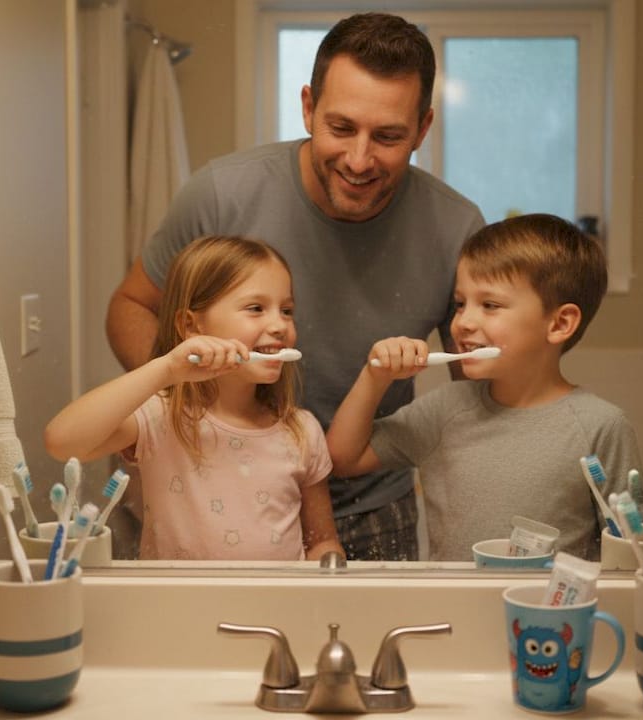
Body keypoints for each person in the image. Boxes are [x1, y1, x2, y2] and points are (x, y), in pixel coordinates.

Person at [106, 12, 485, 561]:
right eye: (340, 128)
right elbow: (132, 304)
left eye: (387, 137)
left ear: (422, 130)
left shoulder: (456, 228)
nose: (359, 160)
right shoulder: (221, 195)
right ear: (308, 107)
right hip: (215, 488)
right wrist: (182, 405)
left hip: (374, 507)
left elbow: (469, 397)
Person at [325, 214, 643, 561]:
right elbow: (342, 459)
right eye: (461, 304)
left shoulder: (601, 426)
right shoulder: (444, 411)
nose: (463, 322)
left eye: (489, 305)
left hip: (549, 614)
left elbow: (632, 552)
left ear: (560, 323)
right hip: (454, 609)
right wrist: (376, 378)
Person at [46, 236, 343, 561]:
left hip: (275, 609)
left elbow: (321, 541)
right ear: (191, 325)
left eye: (287, 310)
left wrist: (329, 564)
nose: (279, 325)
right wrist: (165, 369)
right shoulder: (159, 416)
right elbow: (62, 442)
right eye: (256, 308)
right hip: (178, 608)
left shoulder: (301, 431)